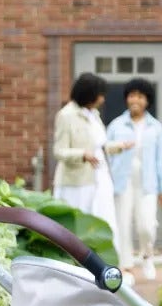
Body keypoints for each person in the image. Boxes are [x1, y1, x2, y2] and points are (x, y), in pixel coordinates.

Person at [53, 72, 130, 256]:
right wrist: (83, 155)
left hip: (100, 177)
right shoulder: (66, 115)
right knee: (79, 226)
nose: (103, 99)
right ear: (89, 94)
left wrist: (119, 146)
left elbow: (99, 146)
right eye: (100, 94)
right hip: (77, 182)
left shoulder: (94, 114)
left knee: (103, 220)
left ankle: (104, 263)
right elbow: (59, 151)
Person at [106, 77, 162, 281]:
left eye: (140, 96)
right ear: (127, 98)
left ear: (147, 101)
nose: (136, 100)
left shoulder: (156, 128)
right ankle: (126, 265)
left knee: (146, 225)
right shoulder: (116, 125)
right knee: (122, 224)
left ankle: (147, 255)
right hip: (122, 182)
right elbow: (106, 154)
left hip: (148, 183)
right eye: (132, 95)